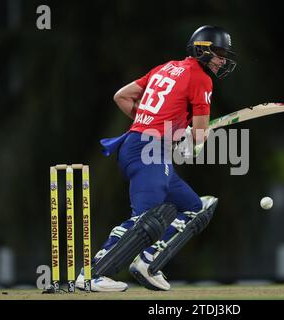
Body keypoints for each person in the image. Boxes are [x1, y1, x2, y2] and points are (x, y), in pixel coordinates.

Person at [75, 26, 237, 292]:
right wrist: (187, 137)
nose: (222, 60)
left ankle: (147, 261)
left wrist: (161, 127)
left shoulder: (166, 67)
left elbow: (122, 97)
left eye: (223, 54)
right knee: (145, 218)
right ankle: (92, 273)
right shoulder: (201, 79)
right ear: (202, 49)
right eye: (218, 53)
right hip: (148, 149)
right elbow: (198, 135)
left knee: (196, 208)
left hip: (139, 145)